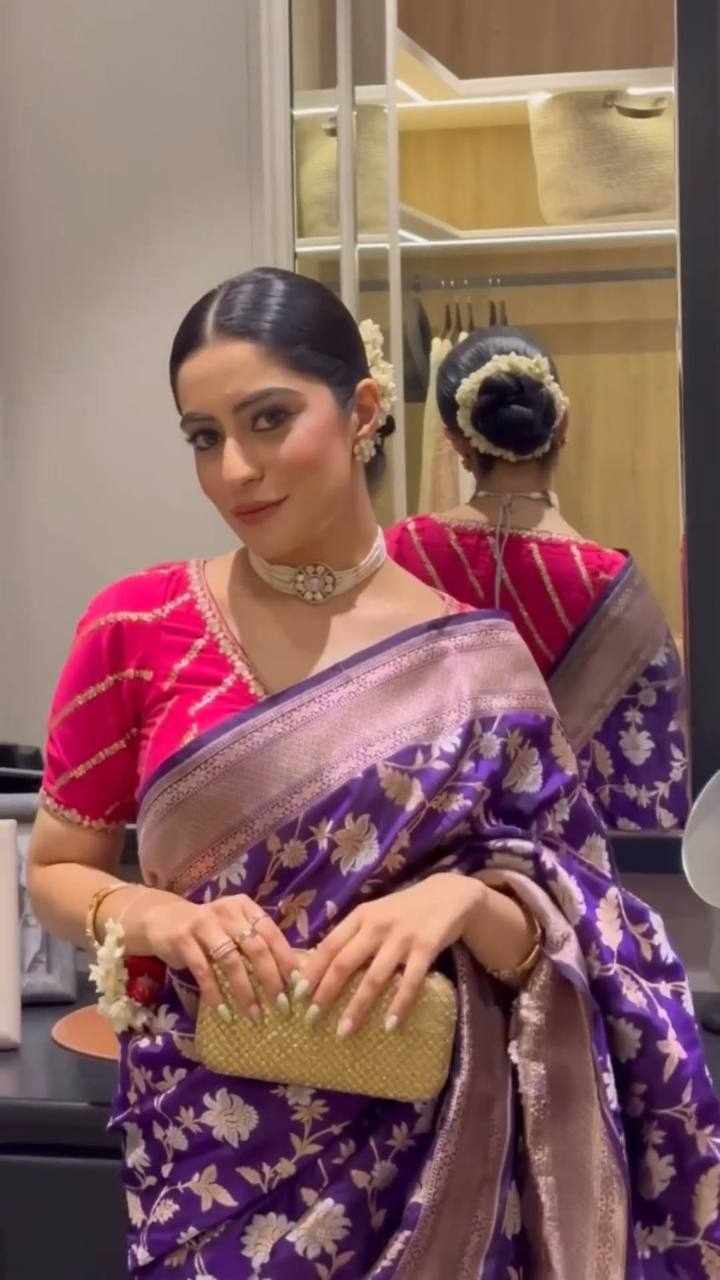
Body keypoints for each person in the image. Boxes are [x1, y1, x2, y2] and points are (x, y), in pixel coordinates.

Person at [28, 270, 718, 1278]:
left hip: (434, 1156)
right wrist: (156, 916)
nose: (236, 470)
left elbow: (578, 931)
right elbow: (56, 869)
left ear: (360, 411)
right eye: (204, 437)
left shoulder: (480, 662)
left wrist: (462, 902)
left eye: (269, 419)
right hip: (208, 1151)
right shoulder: (135, 628)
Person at [386, 328, 689, 833]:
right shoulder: (609, 583)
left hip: (425, 853)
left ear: (455, 438)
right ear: (560, 422)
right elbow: (650, 780)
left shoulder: (400, 553)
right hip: (567, 857)